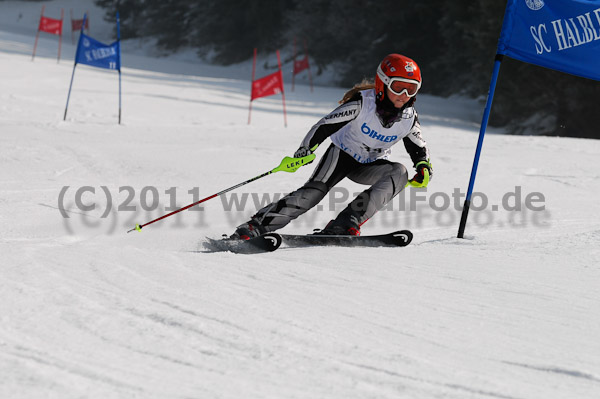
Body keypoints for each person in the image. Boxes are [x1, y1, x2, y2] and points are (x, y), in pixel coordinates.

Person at [232, 53, 432, 240]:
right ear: (382, 84)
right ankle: (256, 226)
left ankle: (345, 224)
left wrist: (423, 166)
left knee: (399, 173)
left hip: (371, 164)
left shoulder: (409, 117)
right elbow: (325, 125)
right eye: (398, 87)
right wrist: (306, 150)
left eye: (411, 89)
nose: (404, 95)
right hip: (342, 155)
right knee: (313, 193)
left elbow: (418, 146)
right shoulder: (362, 103)